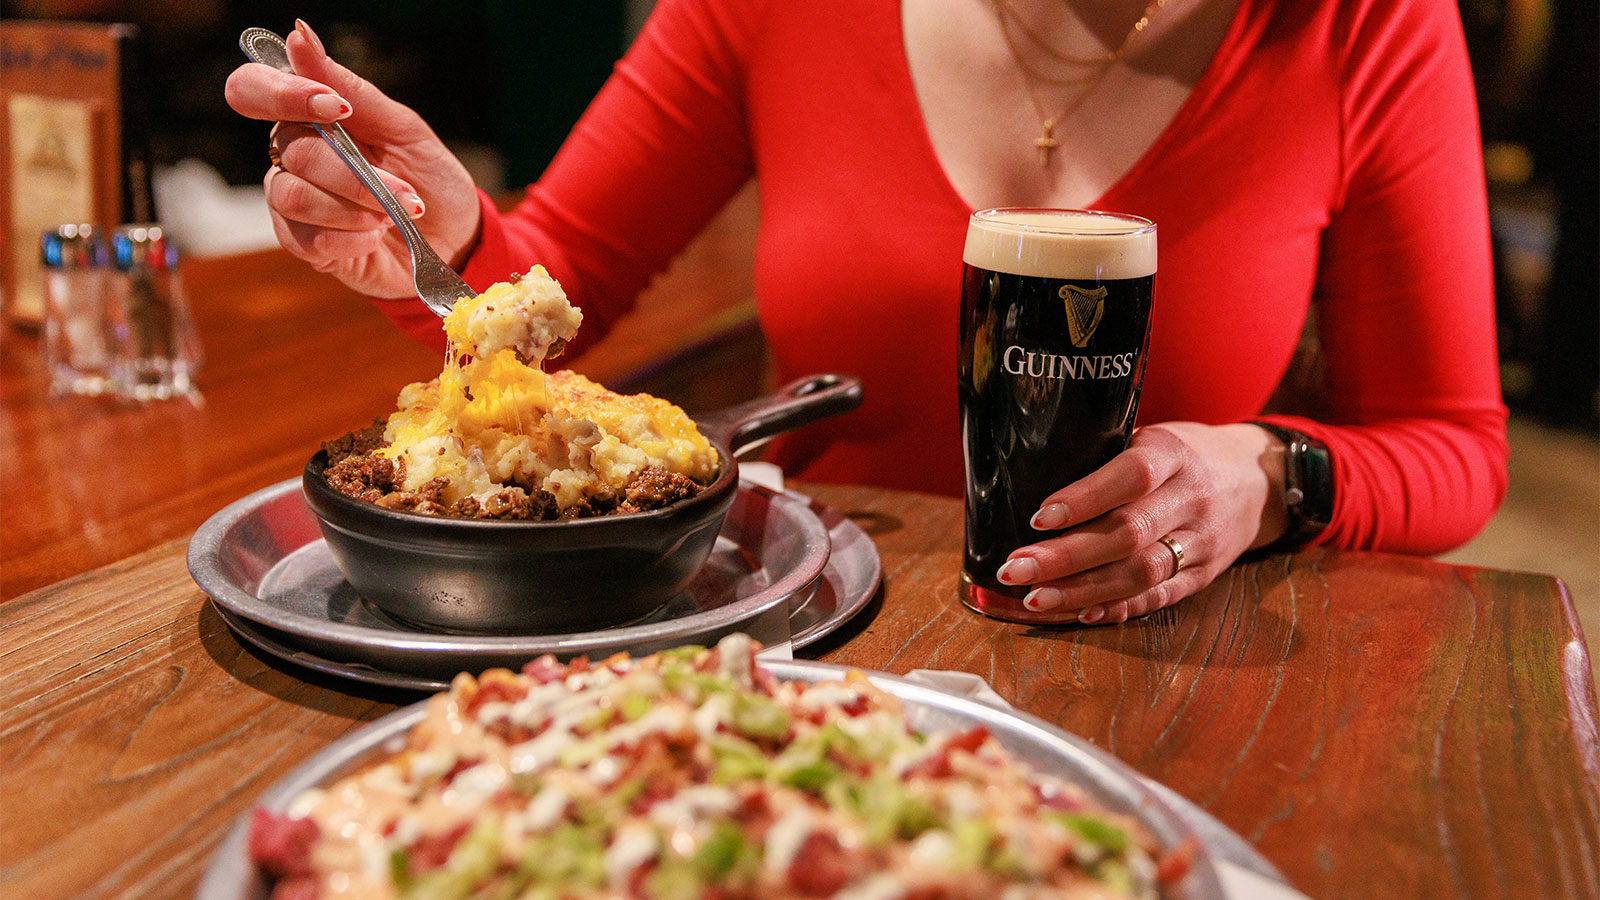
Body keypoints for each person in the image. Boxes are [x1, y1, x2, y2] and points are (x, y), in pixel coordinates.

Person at [224, 0, 1507, 626]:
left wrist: (1268, 474)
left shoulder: (1366, 25)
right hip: (814, 648)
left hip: (1167, 669)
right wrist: (439, 241)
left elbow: (1451, 444)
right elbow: (544, 282)